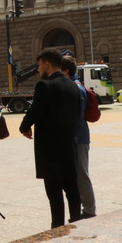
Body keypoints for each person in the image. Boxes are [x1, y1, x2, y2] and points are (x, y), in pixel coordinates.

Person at [19, 48, 82, 229]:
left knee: (54, 193)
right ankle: (77, 223)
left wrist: (24, 126)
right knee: (72, 189)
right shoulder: (73, 85)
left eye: (39, 66)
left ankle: (57, 228)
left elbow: (35, 110)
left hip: (50, 148)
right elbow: (78, 114)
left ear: (46, 64)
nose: (39, 70)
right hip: (70, 145)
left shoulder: (44, 85)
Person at [61, 56, 97, 219]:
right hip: (78, 138)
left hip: (79, 139)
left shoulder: (76, 88)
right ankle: (84, 207)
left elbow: (76, 118)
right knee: (77, 175)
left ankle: (89, 209)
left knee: (82, 175)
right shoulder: (75, 86)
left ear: (66, 71)